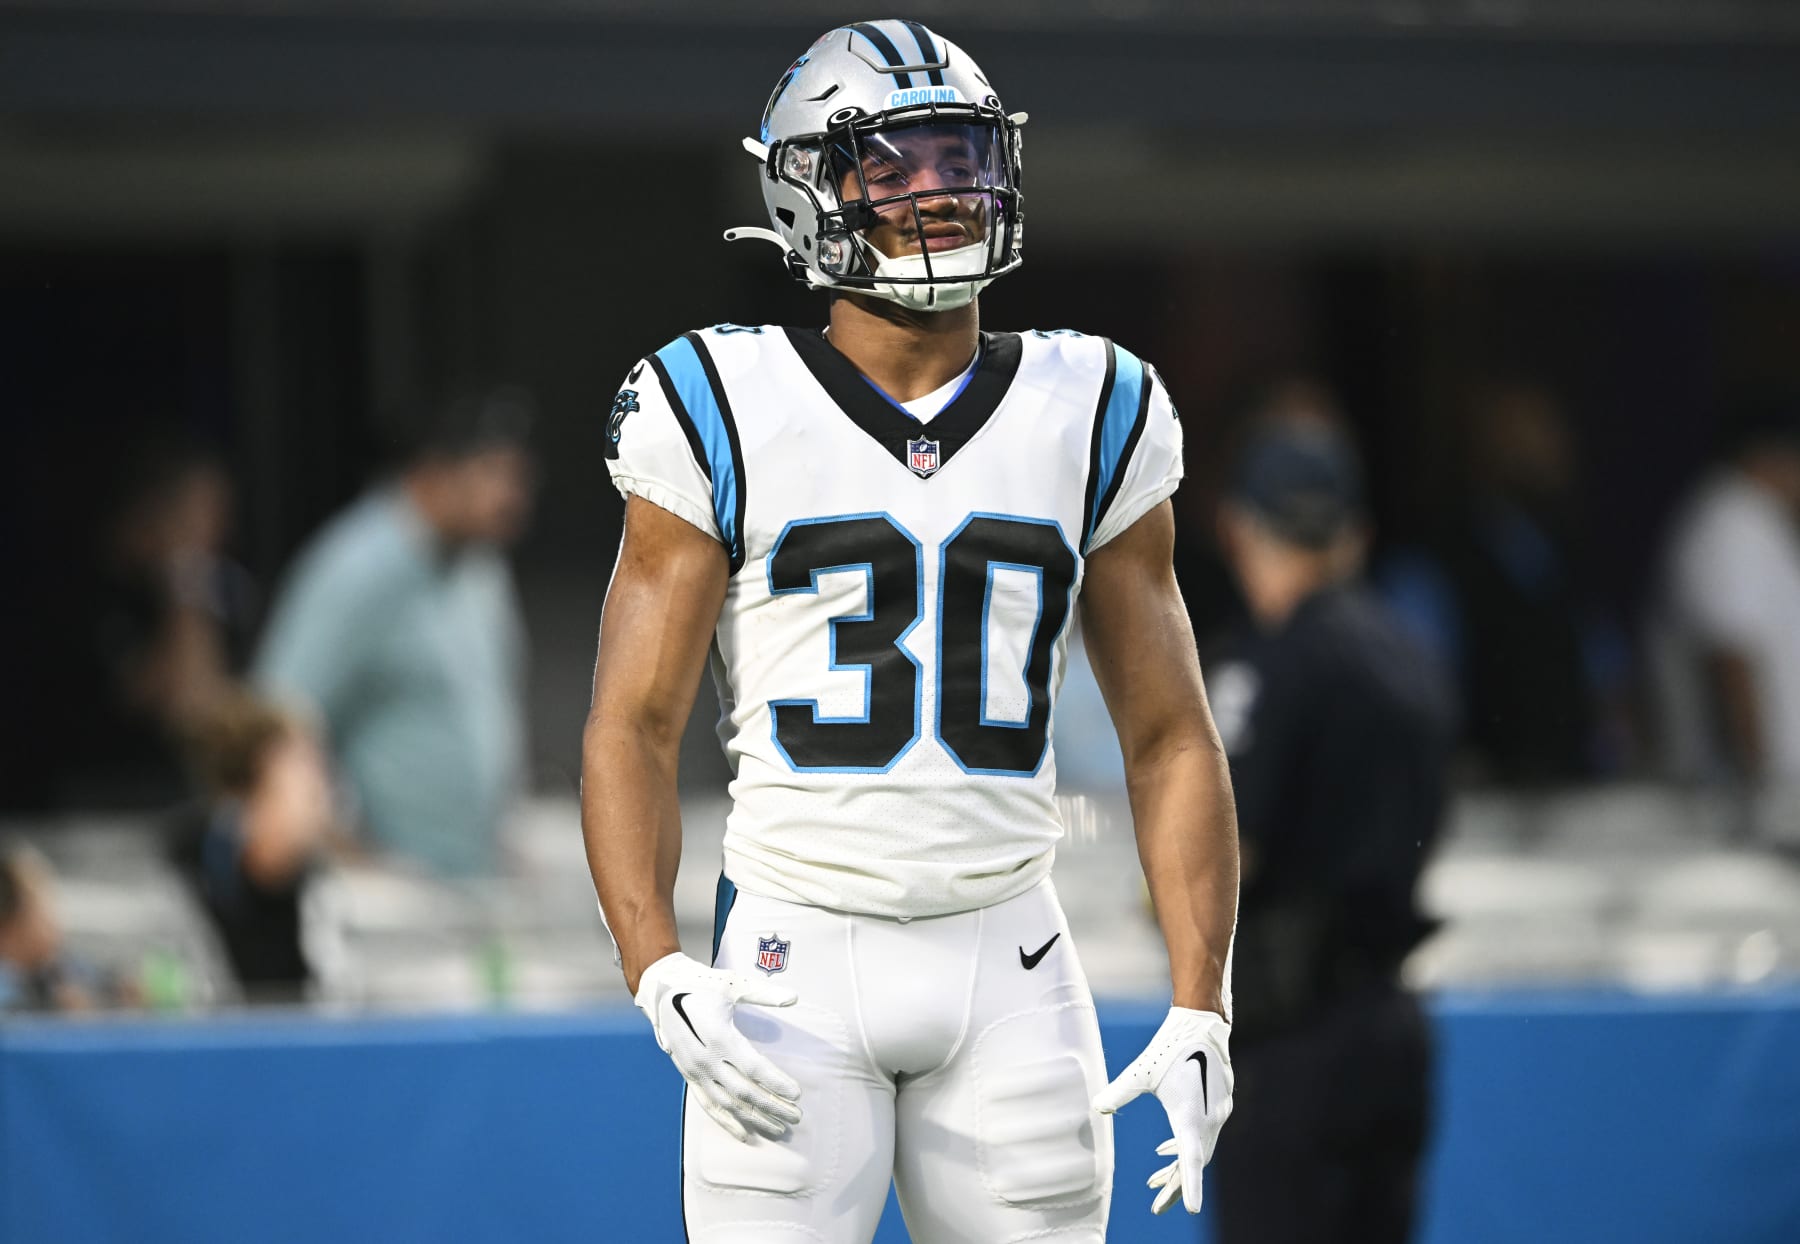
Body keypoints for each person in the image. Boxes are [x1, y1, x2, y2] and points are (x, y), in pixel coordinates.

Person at [582, 23, 1239, 1242]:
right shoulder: (717, 400)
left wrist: (1204, 1000)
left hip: (1014, 959)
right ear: (808, 192)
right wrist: (657, 958)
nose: (941, 194)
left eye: (961, 158)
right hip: (791, 958)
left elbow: (1171, 735)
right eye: (894, 166)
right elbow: (633, 720)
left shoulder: (1093, 402)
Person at [1202, 416, 1454, 1244]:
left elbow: (1216, 856)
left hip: (1291, 1042)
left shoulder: (1269, 667)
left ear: (1239, 530)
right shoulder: (1412, 657)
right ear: (1356, 533)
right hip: (1393, 1024)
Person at [256, 387, 535, 877]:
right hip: (387, 891)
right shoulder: (355, 567)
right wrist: (344, 853)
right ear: (433, 473)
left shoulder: (481, 566)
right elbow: (277, 717)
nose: (513, 496)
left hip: (476, 877)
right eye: (493, 473)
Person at [1651, 396, 1800, 788]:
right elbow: (1730, 657)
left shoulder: (1758, 519)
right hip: (1751, 790)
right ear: (1767, 455)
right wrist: (1757, 779)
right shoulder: (1730, 523)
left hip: (1774, 783)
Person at [172, 688, 337, 1001]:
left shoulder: (325, 882)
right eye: (303, 761)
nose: (321, 781)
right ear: (260, 770)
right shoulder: (186, 860)